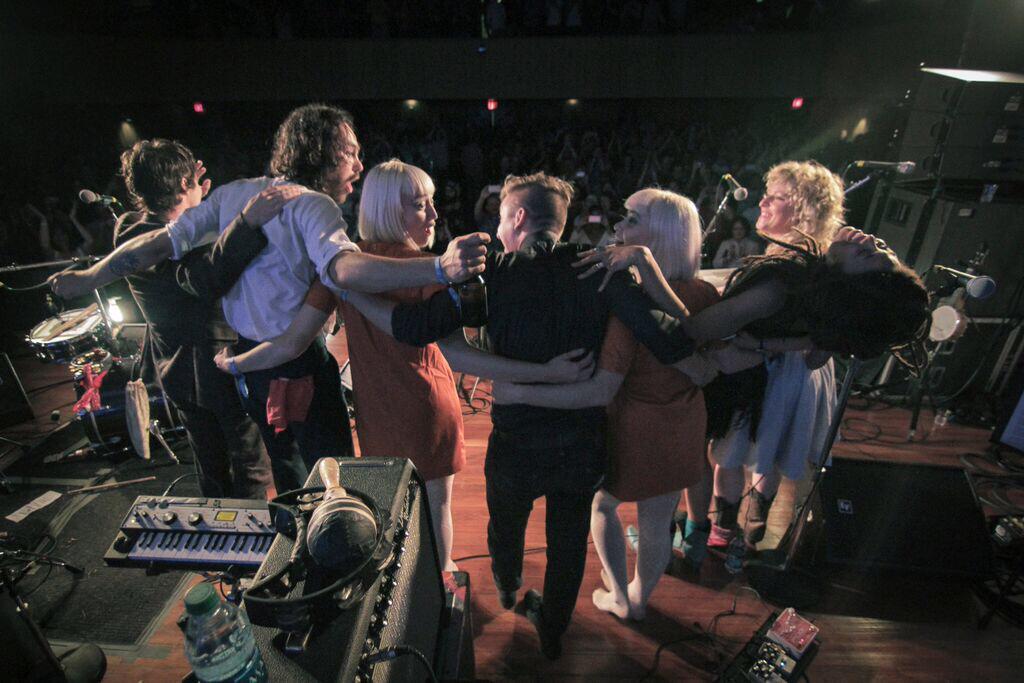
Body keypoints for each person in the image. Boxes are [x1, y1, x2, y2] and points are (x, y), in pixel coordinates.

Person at [343, 172, 700, 660]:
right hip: (582, 442)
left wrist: (351, 291)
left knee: (505, 529)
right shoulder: (601, 271)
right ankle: (553, 629)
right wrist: (645, 266)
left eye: (501, 219)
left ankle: (508, 586)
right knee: (568, 544)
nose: (499, 230)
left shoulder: (494, 274)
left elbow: (412, 327)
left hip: (517, 442)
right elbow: (674, 342)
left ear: (518, 218)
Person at [49, 103, 489, 492]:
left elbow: (153, 244)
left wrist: (89, 277)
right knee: (335, 479)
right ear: (321, 153)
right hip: (299, 368)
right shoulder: (314, 205)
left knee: (287, 474)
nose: (359, 165)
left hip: (253, 367)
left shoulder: (234, 193)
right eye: (350, 153)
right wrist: (439, 267)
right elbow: (341, 269)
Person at [214, 161, 592, 572]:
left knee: (393, 515)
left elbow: (291, 342)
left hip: (377, 415)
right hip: (425, 410)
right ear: (389, 209)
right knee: (435, 513)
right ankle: (440, 590)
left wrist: (237, 363)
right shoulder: (427, 268)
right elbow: (459, 355)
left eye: (431, 202)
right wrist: (544, 373)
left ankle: (406, 593)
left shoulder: (339, 270)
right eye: (419, 204)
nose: (434, 214)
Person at [577, 161, 930, 573]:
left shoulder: (785, 283)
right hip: (733, 369)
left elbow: (691, 330)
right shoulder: (812, 286)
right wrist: (770, 344)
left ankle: (700, 535)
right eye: (880, 244)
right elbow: (811, 347)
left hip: (720, 373)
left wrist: (642, 263)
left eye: (871, 254)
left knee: (708, 458)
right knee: (727, 458)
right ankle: (715, 535)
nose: (870, 239)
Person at [491, 188, 721, 621]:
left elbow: (599, 391)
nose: (616, 226)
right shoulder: (704, 291)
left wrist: (520, 390)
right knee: (656, 523)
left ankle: (618, 595)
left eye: (631, 219)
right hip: (685, 422)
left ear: (659, 235)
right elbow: (698, 345)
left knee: (601, 507)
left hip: (634, 428)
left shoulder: (627, 300)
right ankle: (637, 599)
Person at [113, 139, 276, 499]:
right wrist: (228, 219)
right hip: (217, 364)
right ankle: (248, 531)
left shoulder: (128, 229)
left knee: (210, 461)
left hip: (172, 367)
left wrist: (193, 207)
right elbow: (207, 276)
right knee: (249, 460)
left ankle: (217, 526)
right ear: (186, 182)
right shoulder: (171, 244)